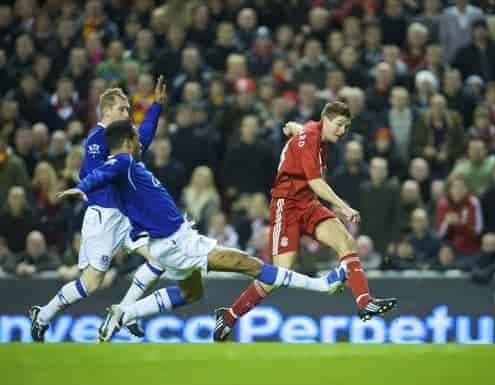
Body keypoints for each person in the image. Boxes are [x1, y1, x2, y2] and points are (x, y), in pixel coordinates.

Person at [57, 119, 345, 342]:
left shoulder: (128, 165)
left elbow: (107, 171)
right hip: (176, 241)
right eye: (137, 137)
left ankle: (123, 313)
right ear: (129, 141)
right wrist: (82, 187)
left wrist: (156, 107)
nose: (141, 140)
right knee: (251, 265)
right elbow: (102, 174)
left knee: (191, 293)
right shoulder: (122, 162)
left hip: (168, 243)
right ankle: (322, 285)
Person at [214, 101, 397, 341]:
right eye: (339, 125)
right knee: (279, 275)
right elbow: (315, 181)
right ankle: (228, 317)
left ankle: (365, 302)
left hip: (308, 204)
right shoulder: (311, 137)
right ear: (327, 119)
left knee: (346, 241)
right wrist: (343, 206)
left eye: (346, 127)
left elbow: (306, 134)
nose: (342, 131)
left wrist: (293, 128)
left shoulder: (313, 134)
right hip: (286, 205)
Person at [29, 78, 166, 342]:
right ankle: (44, 315)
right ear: (107, 112)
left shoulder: (122, 140)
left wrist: (156, 106)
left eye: (128, 109)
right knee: (91, 284)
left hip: (126, 216)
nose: (127, 114)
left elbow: (144, 137)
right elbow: (94, 174)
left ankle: (125, 313)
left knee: (160, 258)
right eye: (123, 109)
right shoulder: (97, 138)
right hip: (104, 217)